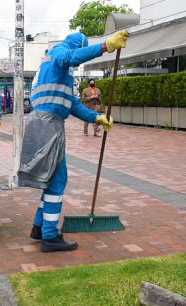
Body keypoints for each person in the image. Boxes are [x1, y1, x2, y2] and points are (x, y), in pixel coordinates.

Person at [18, 30, 129, 253]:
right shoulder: (61, 54)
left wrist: (96, 117)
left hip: (42, 122)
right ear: (75, 46)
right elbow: (72, 57)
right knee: (58, 179)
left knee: (49, 178)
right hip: (49, 123)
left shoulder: (51, 68)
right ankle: (50, 237)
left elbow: (71, 103)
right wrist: (105, 46)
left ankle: (39, 228)